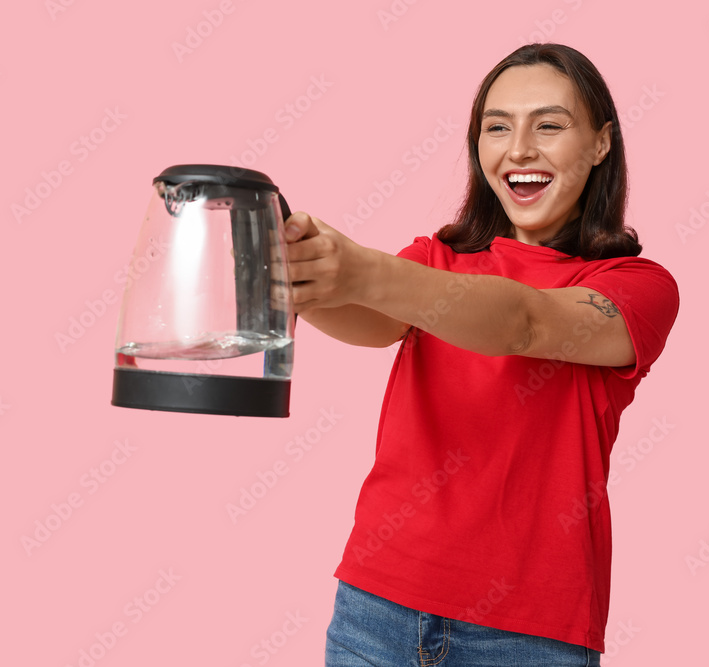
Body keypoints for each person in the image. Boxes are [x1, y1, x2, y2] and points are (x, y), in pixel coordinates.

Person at [284, 43, 680, 667]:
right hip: (375, 603)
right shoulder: (434, 260)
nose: (518, 148)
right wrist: (297, 280)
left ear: (602, 142)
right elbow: (372, 322)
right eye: (497, 127)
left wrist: (358, 270)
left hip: (527, 634)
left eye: (548, 125)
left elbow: (522, 324)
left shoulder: (634, 286)